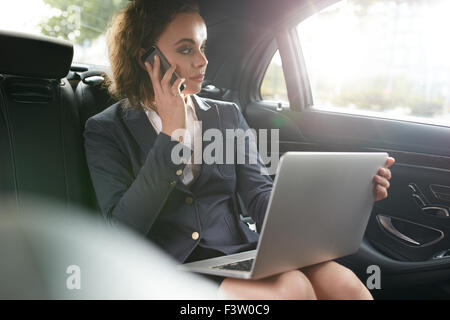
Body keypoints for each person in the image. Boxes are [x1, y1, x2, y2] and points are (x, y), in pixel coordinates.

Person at [84, 0, 395, 300]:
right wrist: (171, 136)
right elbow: (122, 231)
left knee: (344, 285)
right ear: (145, 58)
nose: (203, 61)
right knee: (292, 289)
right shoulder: (106, 130)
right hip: (168, 267)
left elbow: (259, 196)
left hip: (237, 253)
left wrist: (347, 199)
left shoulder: (225, 114)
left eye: (202, 47)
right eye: (186, 48)